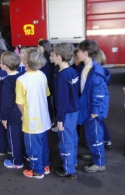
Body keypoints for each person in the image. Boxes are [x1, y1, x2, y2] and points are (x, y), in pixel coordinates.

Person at [16, 47, 52, 179]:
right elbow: (46, 94)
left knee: (32, 146)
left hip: (31, 121)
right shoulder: (42, 75)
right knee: (43, 143)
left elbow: (20, 102)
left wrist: (23, 114)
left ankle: (37, 171)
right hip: (44, 118)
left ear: (25, 61)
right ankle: (45, 165)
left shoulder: (21, 80)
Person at [77, 39, 111, 173]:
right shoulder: (88, 67)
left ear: (85, 53)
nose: (77, 53)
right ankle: (95, 154)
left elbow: (98, 93)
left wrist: (95, 110)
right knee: (91, 135)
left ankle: (99, 163)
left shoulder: (94, 71)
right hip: (89, 108)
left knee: (95, 136)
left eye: (79, 51)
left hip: (93, 111)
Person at [53, 43, 80, 179]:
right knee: (72, 138)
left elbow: (61, 100)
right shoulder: (73, 71)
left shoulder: (61, 76)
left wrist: (60, 119)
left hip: (66, 113)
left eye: (53, 54)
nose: (51, 56)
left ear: (58, 57)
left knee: (65, 141)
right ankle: (72, 163)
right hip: (74, 111)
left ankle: (69, 169)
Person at [0, 51, 24, 168]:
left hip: (13, 116)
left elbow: (6, 102)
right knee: (22, 136)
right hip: (23, 113)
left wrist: (4, 117)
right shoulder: (22, 76)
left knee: (14, 139)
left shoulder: (7, 82)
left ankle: (17, 161)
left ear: (5, 65)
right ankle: (24, 155)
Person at [38, 39, 55, 125]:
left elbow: (44, 73)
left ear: (43, 47)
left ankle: (49, 120)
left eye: (39, 46)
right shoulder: (49, 56)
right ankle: (51, 120)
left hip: (46, 84)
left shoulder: (45, 58)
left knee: (46, 103)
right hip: (50, 82)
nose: (38, 48)